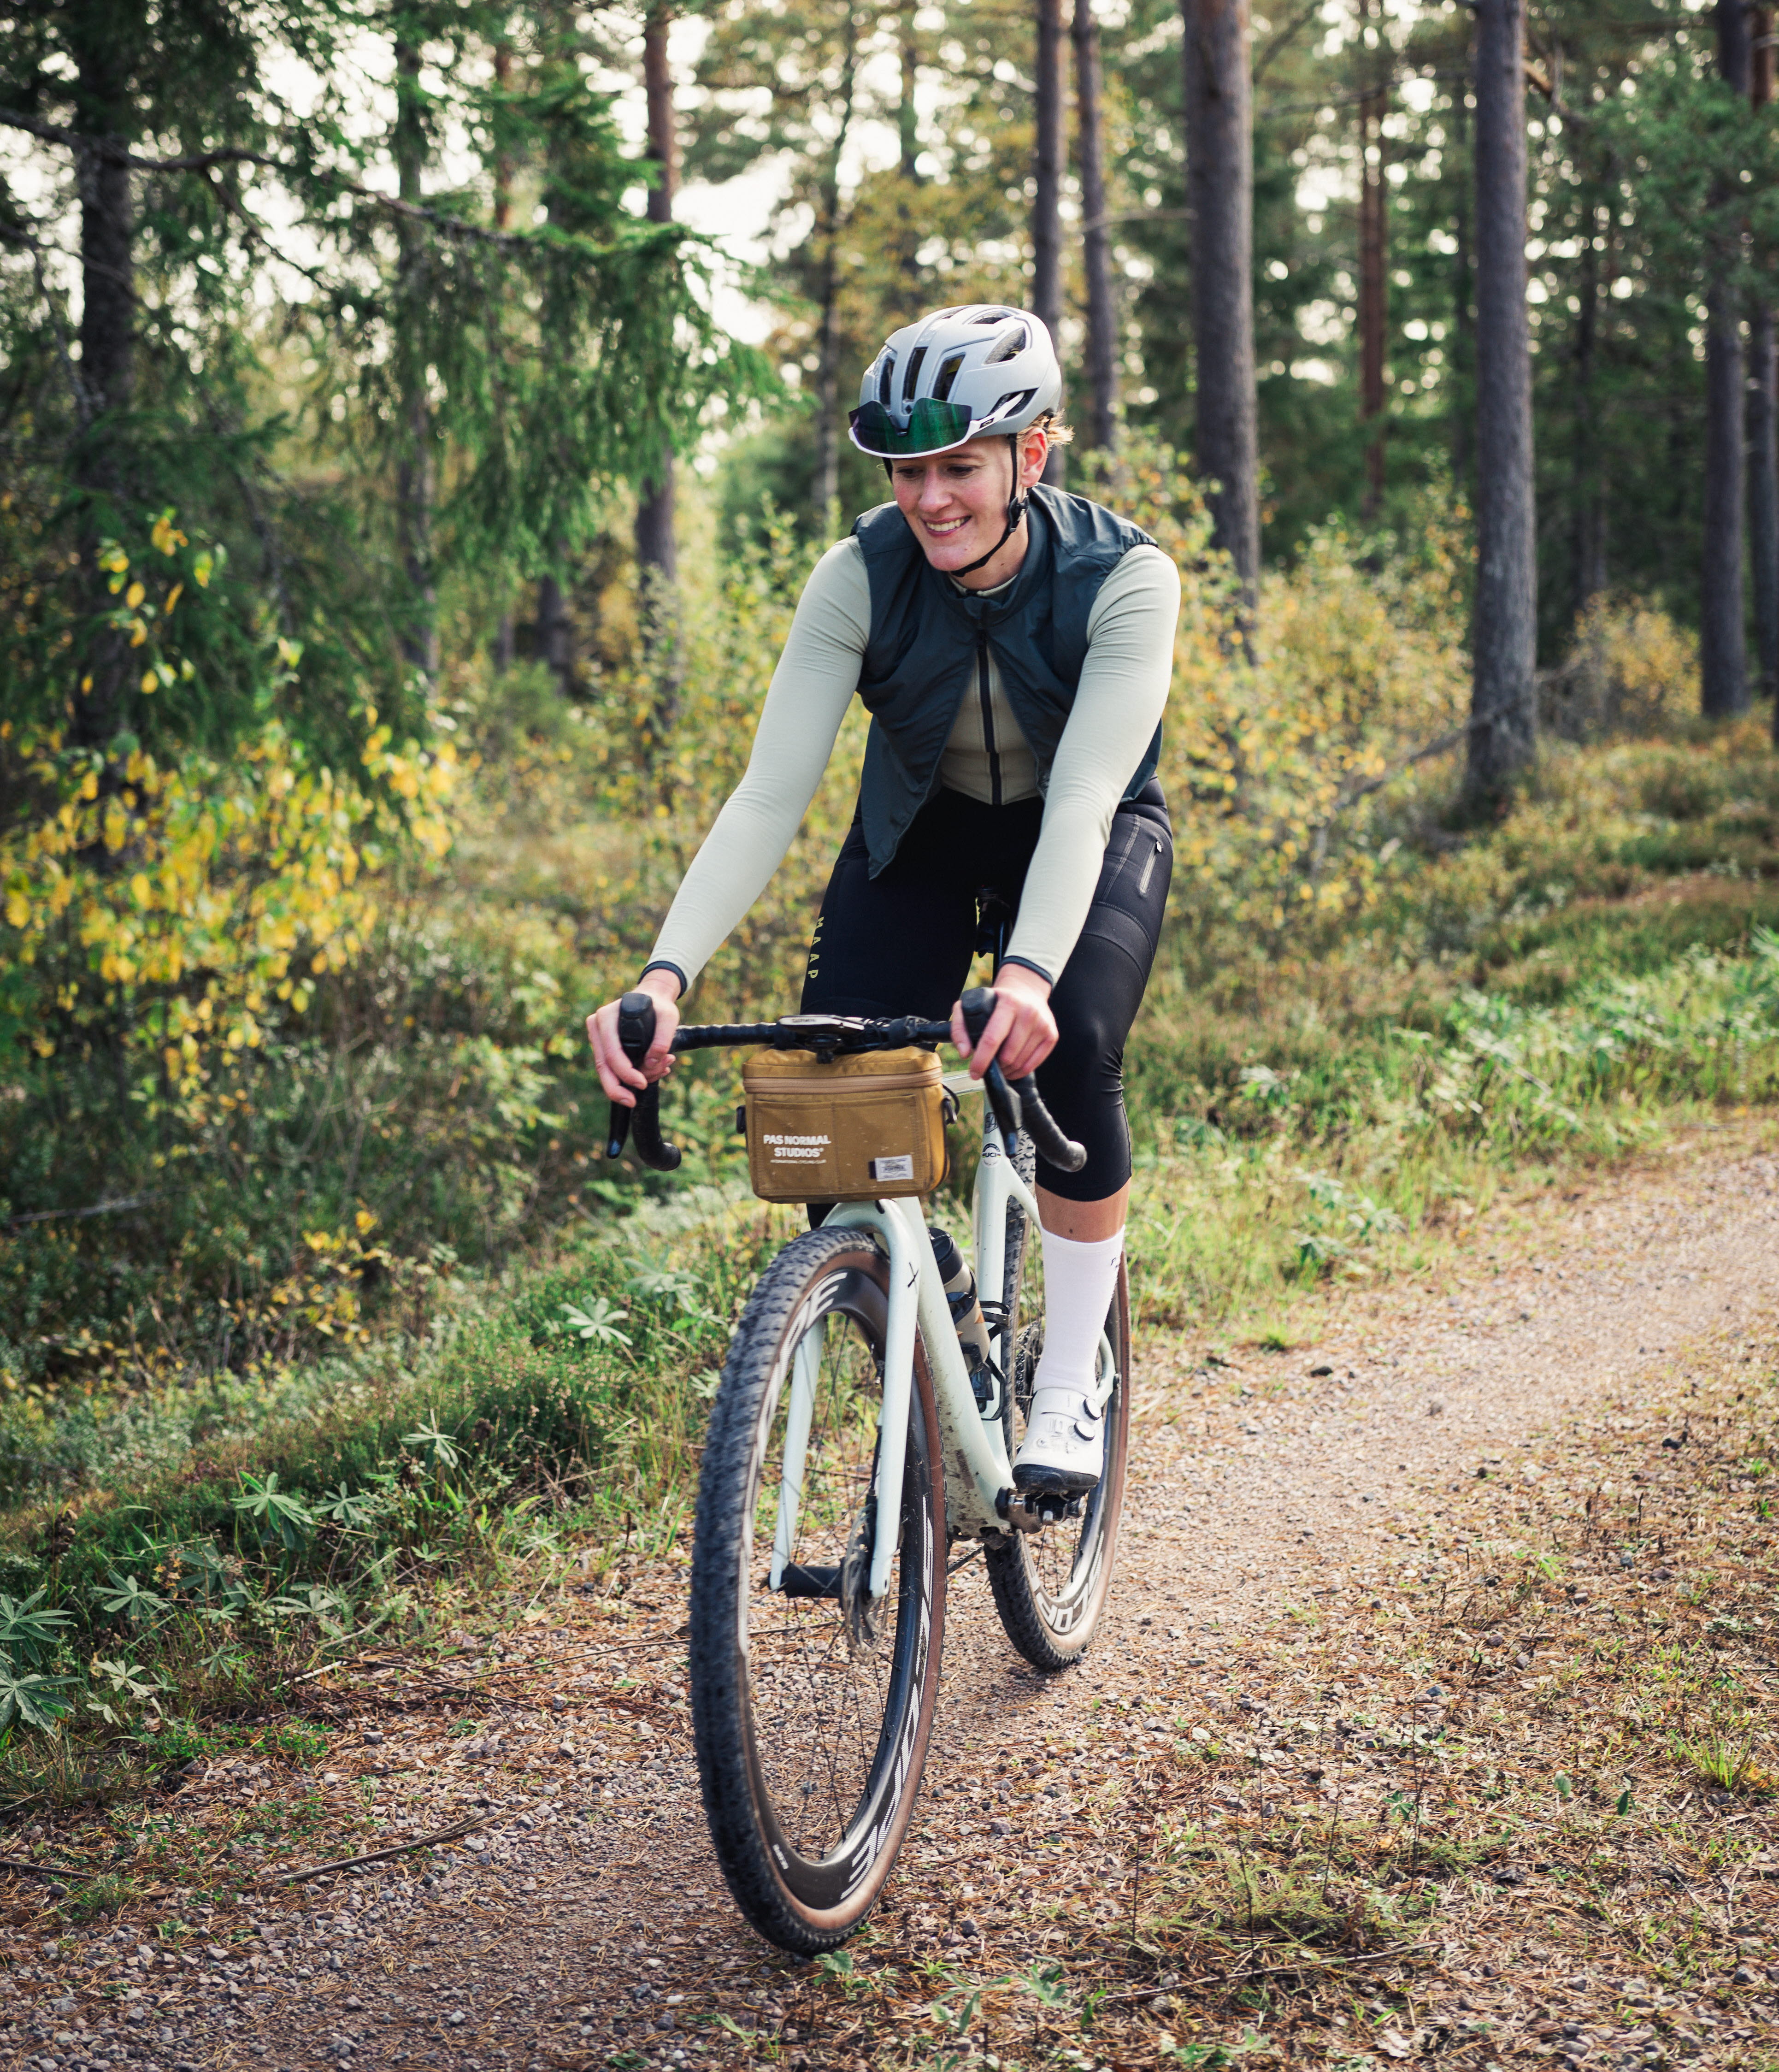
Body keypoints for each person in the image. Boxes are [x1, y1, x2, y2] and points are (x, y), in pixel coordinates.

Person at [588, 304, 1178, 1497]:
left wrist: (1023, 978)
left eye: (958, 466)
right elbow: (768, 797)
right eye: (908, 471)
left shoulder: (1122, 578)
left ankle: (1070, 1377)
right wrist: (662, 977)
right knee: (836, 1085)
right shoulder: (858, 575)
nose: (930, 499)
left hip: (1090, 829)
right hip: (917, 832)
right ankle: (925, 1302)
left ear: (1034, 453)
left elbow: (1077, 807)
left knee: (1068, 1051)